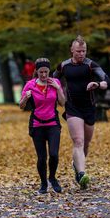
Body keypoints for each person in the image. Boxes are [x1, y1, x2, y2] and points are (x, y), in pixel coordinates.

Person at [53, 35, 110, 190]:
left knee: (86, 143)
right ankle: (81, 174)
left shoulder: (91, 65)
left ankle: (77, 165)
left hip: (89, 108)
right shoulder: (64, 66)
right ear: (72, 50)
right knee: (78, 141)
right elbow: (54, 80)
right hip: (72, 107)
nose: (81, 54)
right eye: (78, 51)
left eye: (84, 51)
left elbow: (107, 80)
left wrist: (97, 84)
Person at [19, 58, 66, 194]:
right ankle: (43, 183)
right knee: (42, 157)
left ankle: (52, 178)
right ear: (36, 72)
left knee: (54, 154)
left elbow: (62, 103)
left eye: (46, 72)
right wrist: (25, 98)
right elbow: (21, 106)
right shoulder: (30, 85)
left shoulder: (55, 82)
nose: (44, 75)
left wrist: (58, 89)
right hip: (37, 125)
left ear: (49, 71)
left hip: (53, 124)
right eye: (41, 72)